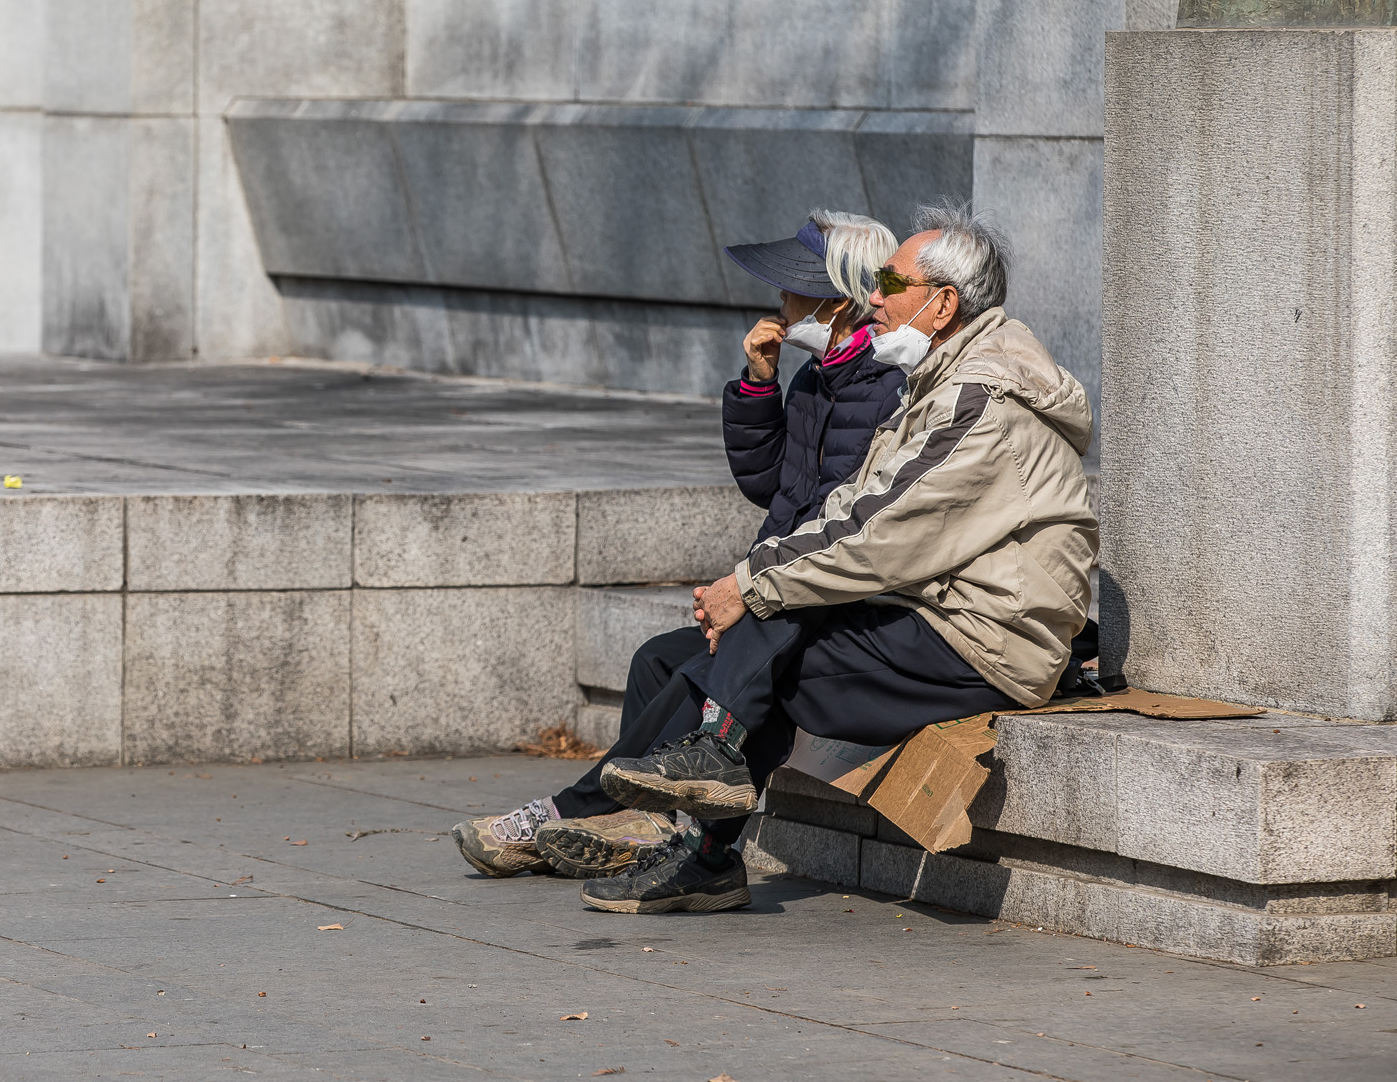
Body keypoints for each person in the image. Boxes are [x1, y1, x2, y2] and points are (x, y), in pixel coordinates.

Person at [574, 206, 1097, 914]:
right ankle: (705, 812)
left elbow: (876, 533)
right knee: (777, 611)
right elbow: (852, 503)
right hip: (934, 611)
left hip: (984, 643)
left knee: (775, 616)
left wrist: (747, 585)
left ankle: (702, 812)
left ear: (944, 304)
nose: (873, 297)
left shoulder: (983, 403)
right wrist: (756, 582)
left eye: (891, 282)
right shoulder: (942, 378)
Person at [452, 211, 905, 878]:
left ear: (838, 303)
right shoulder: (818, 377)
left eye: (793, 288)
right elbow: (771, 484)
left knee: (696, 676)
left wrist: (747, 593)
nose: (780, 300)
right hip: (778, 590)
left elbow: (841, 525)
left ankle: (573, 812)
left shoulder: (887, 386)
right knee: (655, 662)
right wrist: (758, 384)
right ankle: (639, 822)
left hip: (820, 601)